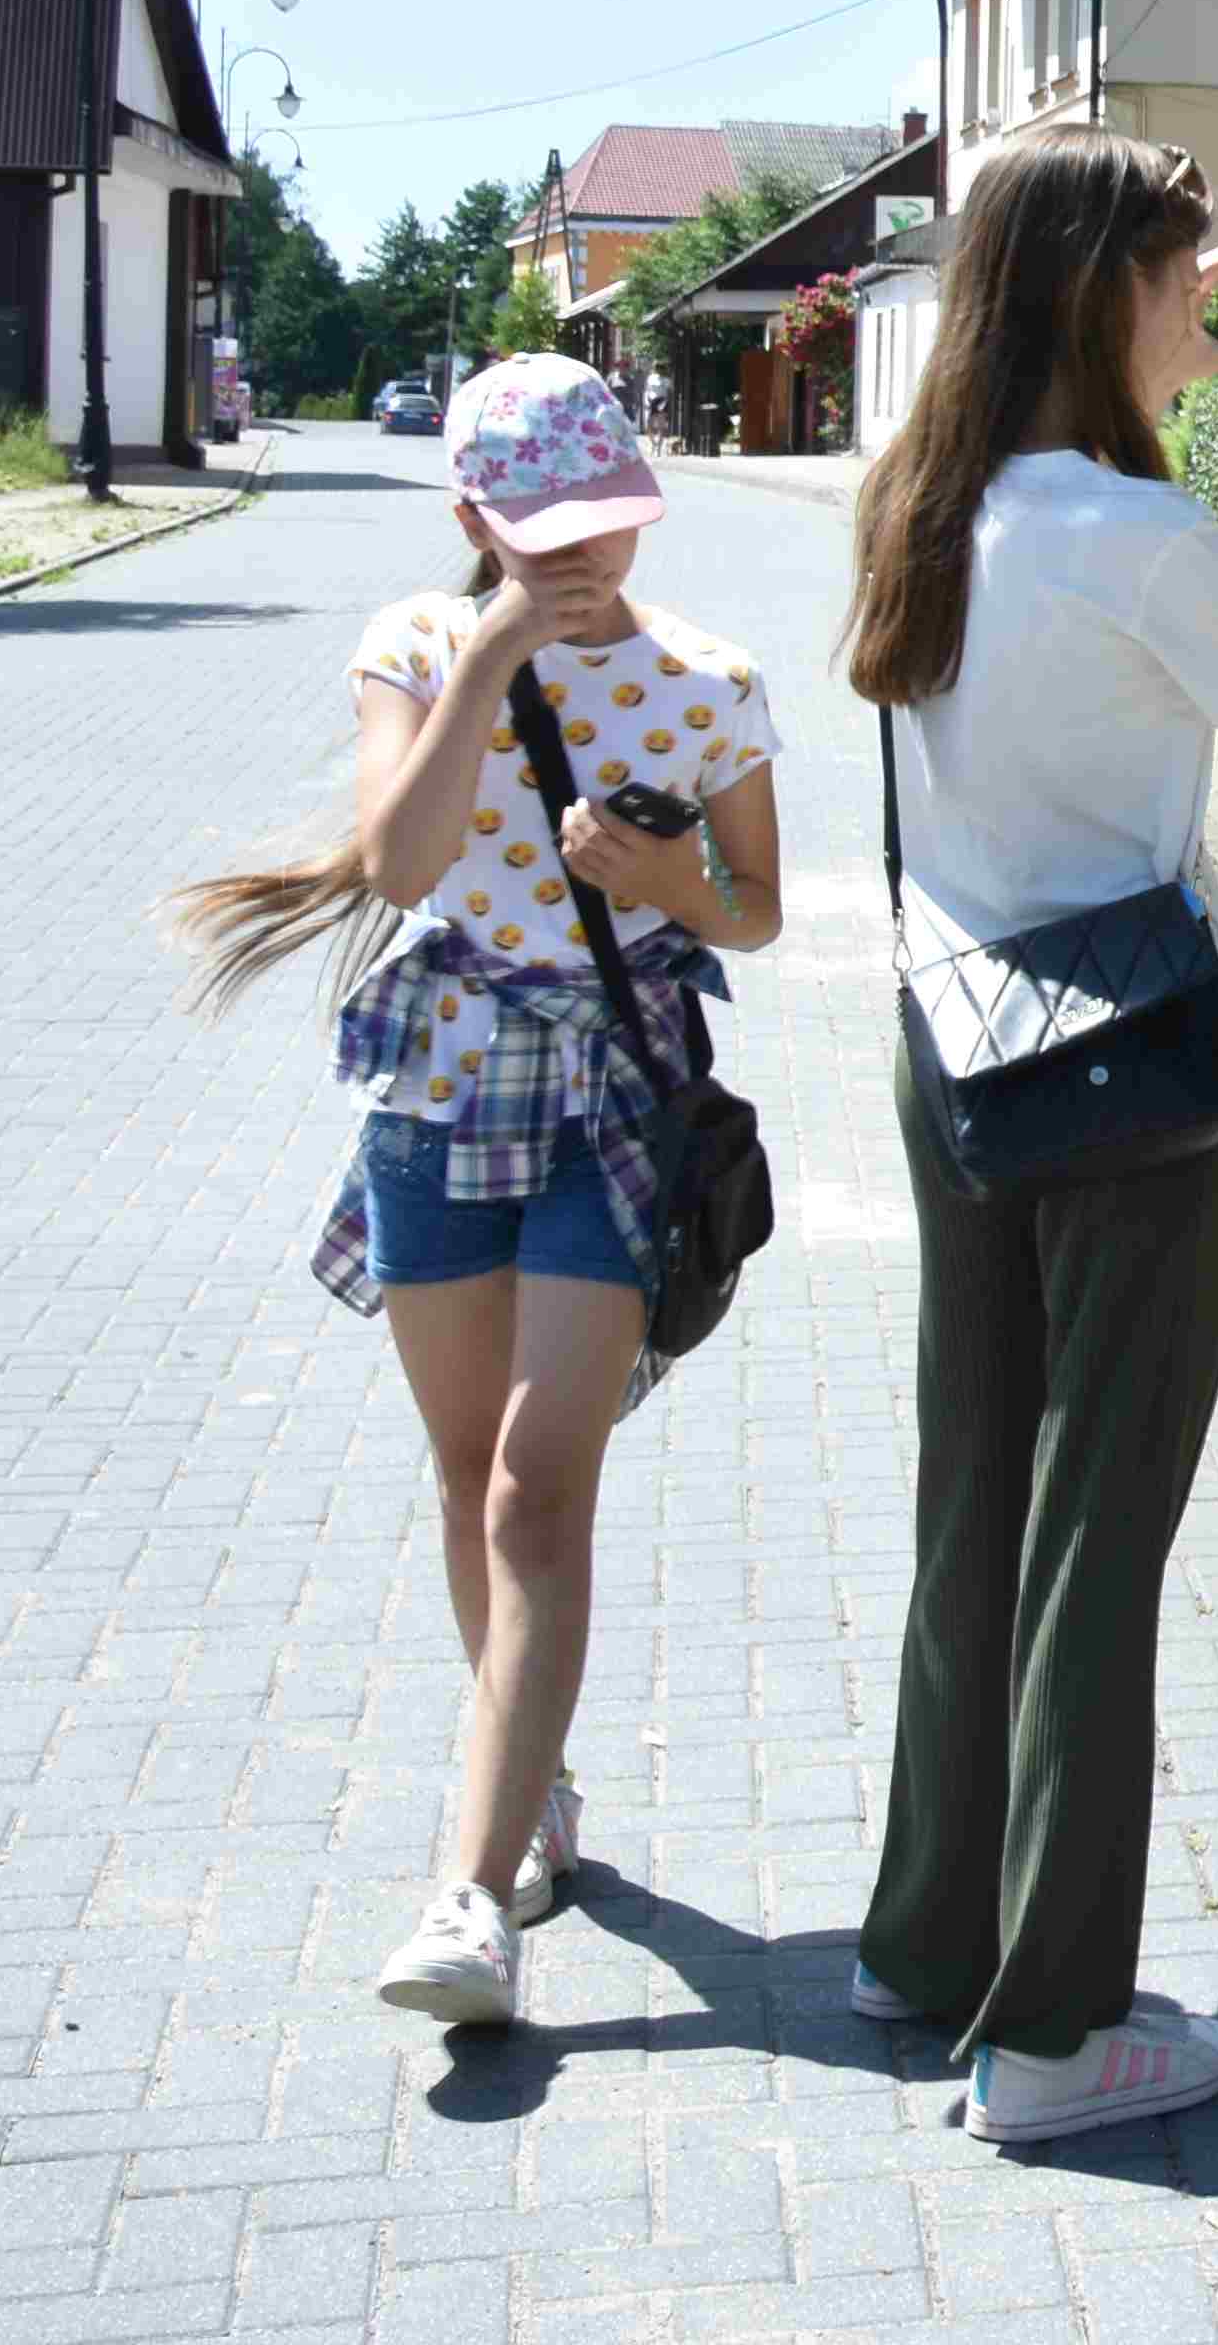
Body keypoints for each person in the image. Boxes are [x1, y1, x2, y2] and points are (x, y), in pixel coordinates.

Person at [837, 129, 1218, 2143]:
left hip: (954, 1047)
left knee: (975, 1501)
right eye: (1185, 276)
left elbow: (1145, 316)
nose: (1214, 299)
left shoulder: (935, 503)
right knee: (1099, 1531)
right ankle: (1053, 2032)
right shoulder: (1127, 534)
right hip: (1126, 1080)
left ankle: (932, 1941)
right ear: (1108, 294)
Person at [170, 354, 785, 2034]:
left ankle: (469, 1891)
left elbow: (755, 912)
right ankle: (540, 1799)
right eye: (548, 535)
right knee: (461, 1474)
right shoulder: (417, 648)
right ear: (477, 526)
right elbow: (400, 863)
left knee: (533, 1492)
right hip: (443, 1085)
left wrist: (667, 876)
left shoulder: (711, 681)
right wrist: (503, 644)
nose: (590, 561)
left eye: (611, 528)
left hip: (615, 1095)